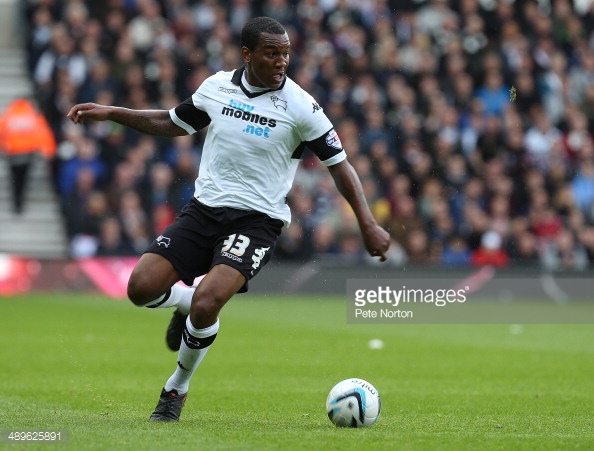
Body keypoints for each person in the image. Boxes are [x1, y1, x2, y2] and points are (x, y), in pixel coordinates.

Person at [67, 17, 391, 422]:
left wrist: (367, 223)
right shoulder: (216, 87)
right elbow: (172, 121)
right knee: (140, 289)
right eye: (272, 53)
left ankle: (175, 390)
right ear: (247, 54)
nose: (282, 61)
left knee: (209, 303)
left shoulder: (301, 106)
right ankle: (183, 303)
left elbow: (340, 166)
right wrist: (115, 112)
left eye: (286, 52)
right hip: (203, 211)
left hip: (257, 221)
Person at [0, 98, 56, 214]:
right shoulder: (33, 116)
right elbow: (43, 133)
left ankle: (16, 201)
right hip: (27, 155)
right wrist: (49, 151)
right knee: (23, 179)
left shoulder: (9, 115)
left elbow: (2, 131)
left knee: (15, 179)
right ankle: (19, 202)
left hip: (13, 154)